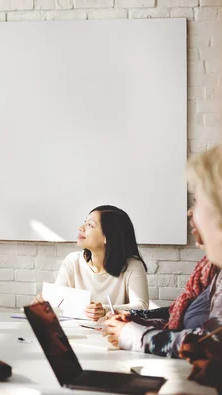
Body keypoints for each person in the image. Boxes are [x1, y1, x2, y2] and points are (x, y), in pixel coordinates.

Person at [103, 146, 222, 373]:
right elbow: (181, 317)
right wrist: (135, 320)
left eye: (197, 201)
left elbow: (211, 341)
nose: (191, 213)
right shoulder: (212, 270)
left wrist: (134, 335)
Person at [36, 205, 149, 321]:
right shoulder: (73, 261)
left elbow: (142, 307)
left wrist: (105, 310)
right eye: (85, 222)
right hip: (76, 334)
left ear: (107, 237)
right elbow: (56, 305)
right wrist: (44, 306)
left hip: (112, 336)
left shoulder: (133, 265)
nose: (81, 228)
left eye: (90, 225)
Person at [123, 207, 218, 331]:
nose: (189, 211)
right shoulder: (207, 269)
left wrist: (132, 335)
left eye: (197, 201)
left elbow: (207, 339)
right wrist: (134, 317)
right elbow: (176, 314)